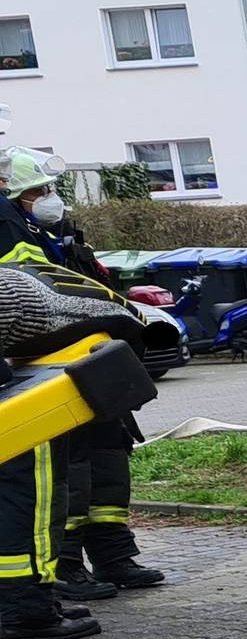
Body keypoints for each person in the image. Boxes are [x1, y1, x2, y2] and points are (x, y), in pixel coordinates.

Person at [2, 156, 162, 600]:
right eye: (39, 191)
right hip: (45, 365)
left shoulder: (52, 231)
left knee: (109, 451)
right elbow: (26, 295)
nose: (49, 198)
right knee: (68, 464)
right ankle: (67, 563)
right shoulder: (8, 225)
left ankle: (113, 552)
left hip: (88, 353)